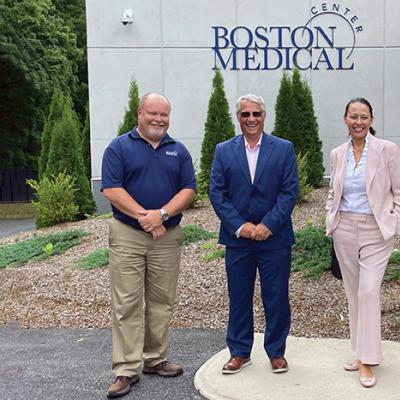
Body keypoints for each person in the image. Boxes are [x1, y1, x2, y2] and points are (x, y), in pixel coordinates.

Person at [101, 93, 197, 398]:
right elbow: (111, 188)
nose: (159, 120)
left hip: (167, 237)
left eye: (164, 115)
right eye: (153, 113)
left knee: (162, 301)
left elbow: (189, 189)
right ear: (140, 113)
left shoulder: (178, 151)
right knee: (127, 302)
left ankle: (155, 359)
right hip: (129, 233)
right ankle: (126, 369)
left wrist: (162, 215)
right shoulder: (119, 147)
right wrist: (146, 217)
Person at [209, 94, 298, 375]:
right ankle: (239, 352)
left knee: (276, 297)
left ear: (264, 116)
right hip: (238, 240)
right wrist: (241, 226)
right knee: (239, 296)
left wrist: (267, 225)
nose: (251, 119)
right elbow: (217, 193)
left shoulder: (283, 149)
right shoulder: (224, 150)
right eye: (245, 114)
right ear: (238, 117)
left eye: (256, 114)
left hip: (275, 238)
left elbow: (289, 191)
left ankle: (276, 352)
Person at [325, 97, 400, 388]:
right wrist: (331, 220)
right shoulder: (338, 154)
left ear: (371, 120)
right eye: (353, 116)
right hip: (345, 229)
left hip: (377, 230)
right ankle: (359, 351)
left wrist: (396, 224)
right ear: (345, 119)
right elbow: (332, 193)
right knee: (353, 292)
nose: (358, 122)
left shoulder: (387, 150)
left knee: (369, 290)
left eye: (364, 117)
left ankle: (368, 360)